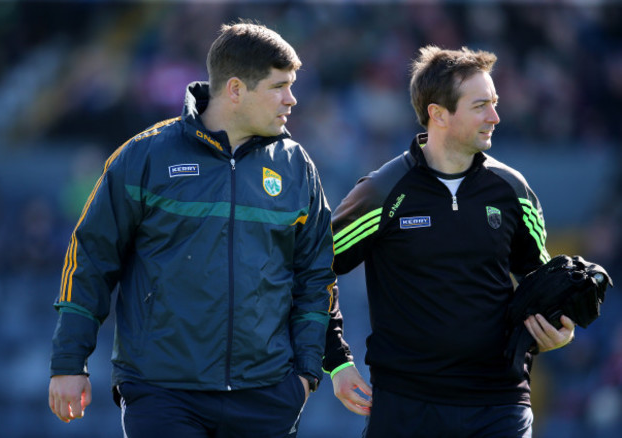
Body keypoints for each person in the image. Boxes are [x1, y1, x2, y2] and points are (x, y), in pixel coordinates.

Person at [48, 21, 336, 438]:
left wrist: (305, 375)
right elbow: (90, 259)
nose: (291, 99)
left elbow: (316, 274)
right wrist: (68, 363)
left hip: (268, 396)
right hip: (164, 394)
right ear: (235, 90)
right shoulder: (144, 156)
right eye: (279, 86)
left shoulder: (297, 167)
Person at [323, 46, 576, 437]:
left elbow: (540, 283)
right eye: (480, 106)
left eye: (494, 102)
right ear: (438, 114)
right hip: (406, 407)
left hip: (500, 405)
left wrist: (559, 328)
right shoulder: (381, 192)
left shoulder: (513, 191)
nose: (495, 116)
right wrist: (337, 361)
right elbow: (311, 270)